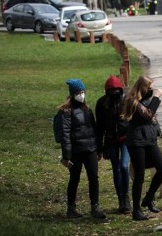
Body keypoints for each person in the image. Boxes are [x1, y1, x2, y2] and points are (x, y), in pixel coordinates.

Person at [57, 78, 107, 219]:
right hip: (76, 151)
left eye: (83, 91)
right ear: (73, 94)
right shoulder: (66, 111)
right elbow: (65, 135)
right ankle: (71, 208)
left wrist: (98, 149)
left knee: (94, 178)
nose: (82, 94)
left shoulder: (87, 109)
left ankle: (95, 206)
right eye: (79, 92)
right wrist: (66, 156)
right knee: (74, 178)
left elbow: (94, 129)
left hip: (90, 149)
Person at [120, 75, 162, 221]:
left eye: (153, 87)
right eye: (149, 87)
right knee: (139, 176)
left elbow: (152, 119)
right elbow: (148, 114)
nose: (152, 90)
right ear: (142, 87)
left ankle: (148, 198)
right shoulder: (133, 101)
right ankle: (136, 210)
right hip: (137, 141)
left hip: (150, 139)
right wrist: (157, 97)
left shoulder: (146, 100)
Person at [96, 76, 130, 213]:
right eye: (111, 91)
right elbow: (99, 127)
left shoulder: (127, 101)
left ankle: (126, 197)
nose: (114, 93)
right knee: (116, 169)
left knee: (124, 166)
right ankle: (121, 199)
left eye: (117, 90)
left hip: (126, 138)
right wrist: (100, 147)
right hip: (111, 140)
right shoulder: (102, 104)